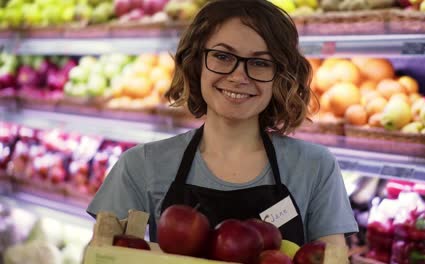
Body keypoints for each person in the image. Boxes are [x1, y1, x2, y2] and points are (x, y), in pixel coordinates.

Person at [87, 0, 358, 248]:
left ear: (280, 76)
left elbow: (332, 257)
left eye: (260, 62)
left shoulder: (314, 167)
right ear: (196, 63)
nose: (239, 76)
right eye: (223, 57)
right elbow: (102, 254)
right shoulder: (141, 166)